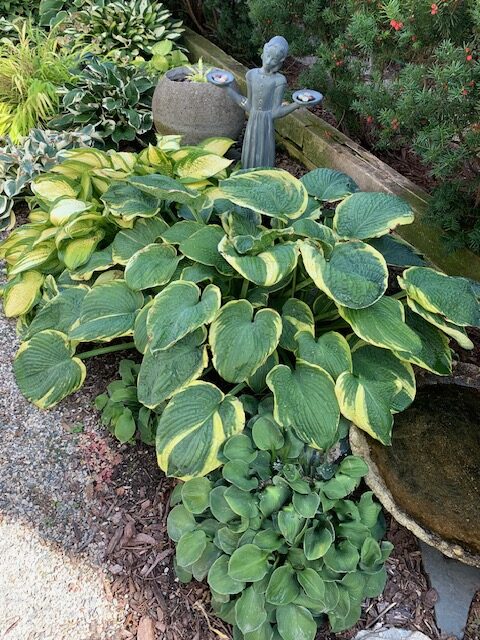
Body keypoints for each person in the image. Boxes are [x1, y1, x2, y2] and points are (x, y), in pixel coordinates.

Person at [220, 36, 302, 168]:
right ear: (263, 53)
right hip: (252, 121)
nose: (269, 61)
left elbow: (276, 111)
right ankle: (247, 174)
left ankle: (264, 176)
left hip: (266, 124)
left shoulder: (279, 81)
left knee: (264, 152)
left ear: (280, 62)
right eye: (268, 56)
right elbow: (248, 104)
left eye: (274, 59)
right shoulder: (251, 75)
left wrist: (297, 104)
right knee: (249, 151)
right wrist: (227, 89)